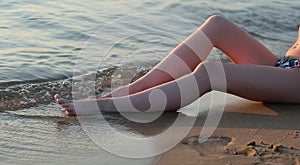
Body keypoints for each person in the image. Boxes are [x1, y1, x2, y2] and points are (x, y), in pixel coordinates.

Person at [54, 15, 300, 116]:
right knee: (217, 25)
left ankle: (110, 105)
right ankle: (136, 88)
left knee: (212, 72)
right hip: (284, 66)